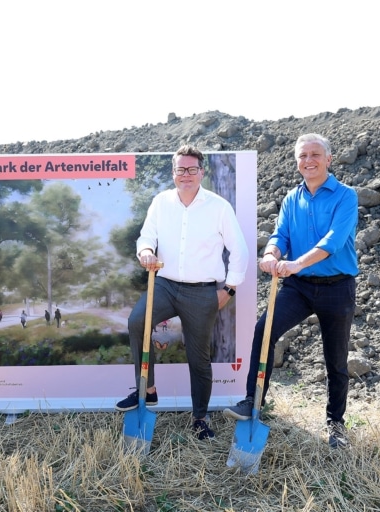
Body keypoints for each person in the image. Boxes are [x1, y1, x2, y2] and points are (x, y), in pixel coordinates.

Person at [222, 133, 358, 449]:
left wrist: (297, 263)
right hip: (298, 288)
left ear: (328, 159)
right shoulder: (290, 199)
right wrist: (272, 253)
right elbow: (280, 235)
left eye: (314, 155)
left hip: (337, 287)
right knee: (263, 331)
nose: (308, 161)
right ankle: (252, 401)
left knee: (335, 360)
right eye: (302, 156)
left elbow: (334, 241)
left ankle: (335, 425)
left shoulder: (345, 196)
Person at [115, 144, 249, 440]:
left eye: (192, 169)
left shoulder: (218, 207)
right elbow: (146, 236)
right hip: (164, 284)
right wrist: (146, 251)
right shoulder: (161, 202)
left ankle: (200, 418)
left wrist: (229, 288)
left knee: (198, 357)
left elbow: (239, 250)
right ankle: (147, 390)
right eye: (180, 169)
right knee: (137, 322)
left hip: (202, 292)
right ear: (173, 172)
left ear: (201, 172)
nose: (186, 174)